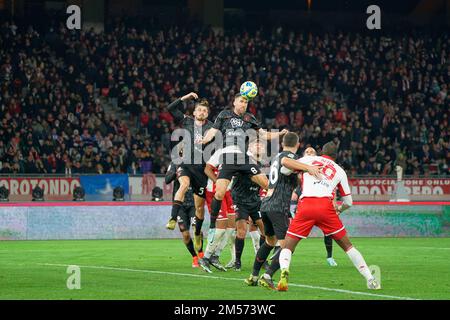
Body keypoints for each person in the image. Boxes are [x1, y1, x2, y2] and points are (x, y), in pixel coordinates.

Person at [277, 141, 380, 291]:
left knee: (288, 246)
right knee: (348, 246)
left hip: (306, 205)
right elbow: (349, 202)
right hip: (326, 207)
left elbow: (284, 170)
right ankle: (370, 279)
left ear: (321, 152)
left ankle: (284, 271)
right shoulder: (340, 170)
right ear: (336, 155)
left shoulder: (308, 159)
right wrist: (339, 209)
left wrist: (304, 169)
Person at [200, 94, 298, 242]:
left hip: (243, 158)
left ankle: (284, 213)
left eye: (246, 102)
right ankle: (213, 226)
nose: (243, 104)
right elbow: (212, 132)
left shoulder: (249, 118)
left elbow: (264, 134)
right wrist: (204, 139)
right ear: (234, 102)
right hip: (227, 157)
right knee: (219, 193)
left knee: (267, 184)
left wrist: (280, 133)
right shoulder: (224, 115)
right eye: (241, 101)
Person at [245, 132, 322, 289]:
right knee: (287, 246)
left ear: (282, 144)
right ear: (298, 145)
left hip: (266, 204)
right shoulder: (286, 157)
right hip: (277, 206)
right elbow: (287, 162)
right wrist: (308, 168)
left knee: (269, 242)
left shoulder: (277, 157)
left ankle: (253, 276)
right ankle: (267, 276)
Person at [165, 92, 213, 254]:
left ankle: (198, 233)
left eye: (204, 111)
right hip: (186, 164)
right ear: (194, 112)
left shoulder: (212, 127)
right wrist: (186, 97)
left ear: (207, 114)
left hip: (201, 169)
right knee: (183, 184)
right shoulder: (187, 121)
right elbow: (170, 108)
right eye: (199, 110)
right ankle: (172, 218)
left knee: (199, 208)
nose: (201, 113)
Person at [299, 147, 337, 267]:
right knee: (293, 234)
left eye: (312, 152)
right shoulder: (299, 167)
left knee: (328, 232)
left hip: (323, 203)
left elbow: (332, 187)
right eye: (307, 152)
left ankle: (330, 257)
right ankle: (282, 254)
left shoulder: (324, 168)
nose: (309, 153)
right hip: (305, 202)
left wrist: (334, 202)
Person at [165, 161, 204, 268]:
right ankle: (194, 257)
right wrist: (177, 170)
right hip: (180, 204)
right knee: (186, 235)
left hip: (193, 203)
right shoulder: (174, 164)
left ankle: (201, 253)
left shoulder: (197, 162)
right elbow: (167, 180)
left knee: (197, 229)